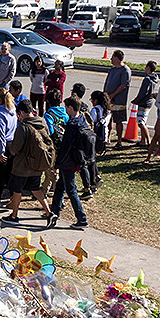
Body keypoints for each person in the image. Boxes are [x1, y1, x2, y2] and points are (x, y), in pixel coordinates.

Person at [1, 100, 54, 226]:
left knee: (17, 190)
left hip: (22, 166)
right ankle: (49, 212)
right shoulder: (42, 122)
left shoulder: (23, 127)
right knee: (36, 188)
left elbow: (14, 149)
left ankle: (14, 216)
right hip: (37, 164)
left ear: (21, 113)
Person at [47, 95, 89, 230]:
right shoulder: (82, 120)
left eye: (66, 108)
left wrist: (57, 163)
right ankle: (54, 212)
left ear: (71, 108)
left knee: (71, 190)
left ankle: (81, 218)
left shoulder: (71, 126)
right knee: (60, 187)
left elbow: (65, 147)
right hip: (78, 159)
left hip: (68, 162)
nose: (65, 110)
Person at [0, 88, 17, 207]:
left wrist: (0, 152)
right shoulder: (12, 112)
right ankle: (12, 198)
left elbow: (0, 135)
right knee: (9, 174)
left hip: (2, 146)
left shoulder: (0, 114)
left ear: (0, 99)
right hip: (11, 145)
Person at [84, 91, 111, 199]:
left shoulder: (95, 111)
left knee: (90, 160)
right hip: (102, 139)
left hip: (94, 138)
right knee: (93, 158)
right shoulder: (107, 111)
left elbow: (90, 124)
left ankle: (93, 183)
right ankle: (96, 177)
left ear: (95, 100)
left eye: (92, 100)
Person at [104, 50, 132, 148]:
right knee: (108, 118)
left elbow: (123, 85)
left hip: (118, 100)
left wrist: (113, 94)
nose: (111, 59)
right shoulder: (112, 70)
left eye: (112, 57)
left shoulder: (125, 70)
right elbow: (107, 82)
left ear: (117, 58)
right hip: (108, 99)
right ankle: (108, 137)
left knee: (118, 120)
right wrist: (105, 94)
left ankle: (119, 140)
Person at [132, 61, 159, 147]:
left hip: (144, 103)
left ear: (148, 68)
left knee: (141, 122)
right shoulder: (154, 78)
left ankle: (148, 141)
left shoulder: (147, 79)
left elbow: (143, 92)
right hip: (149, 102)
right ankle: (142, 140)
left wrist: (136, 100)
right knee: (143, 120)